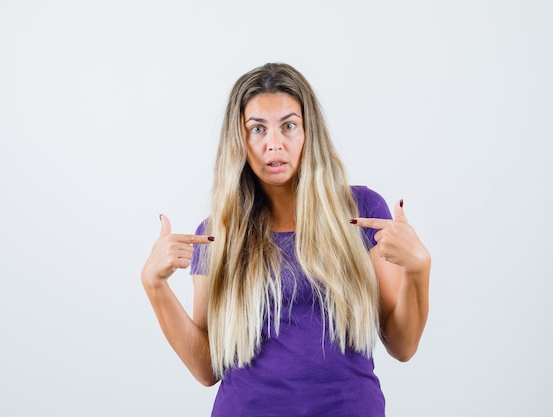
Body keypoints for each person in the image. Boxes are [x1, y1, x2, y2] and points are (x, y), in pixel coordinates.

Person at [141, 62, 431, 417]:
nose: (273, 144)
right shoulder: (218, 233)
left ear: (309, 132)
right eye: (257, 129)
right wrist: (154, 285)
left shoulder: (361, 210)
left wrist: (419, 269)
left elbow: (402, 346)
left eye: (288, 126)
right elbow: (207, 368)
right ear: (240, 139)